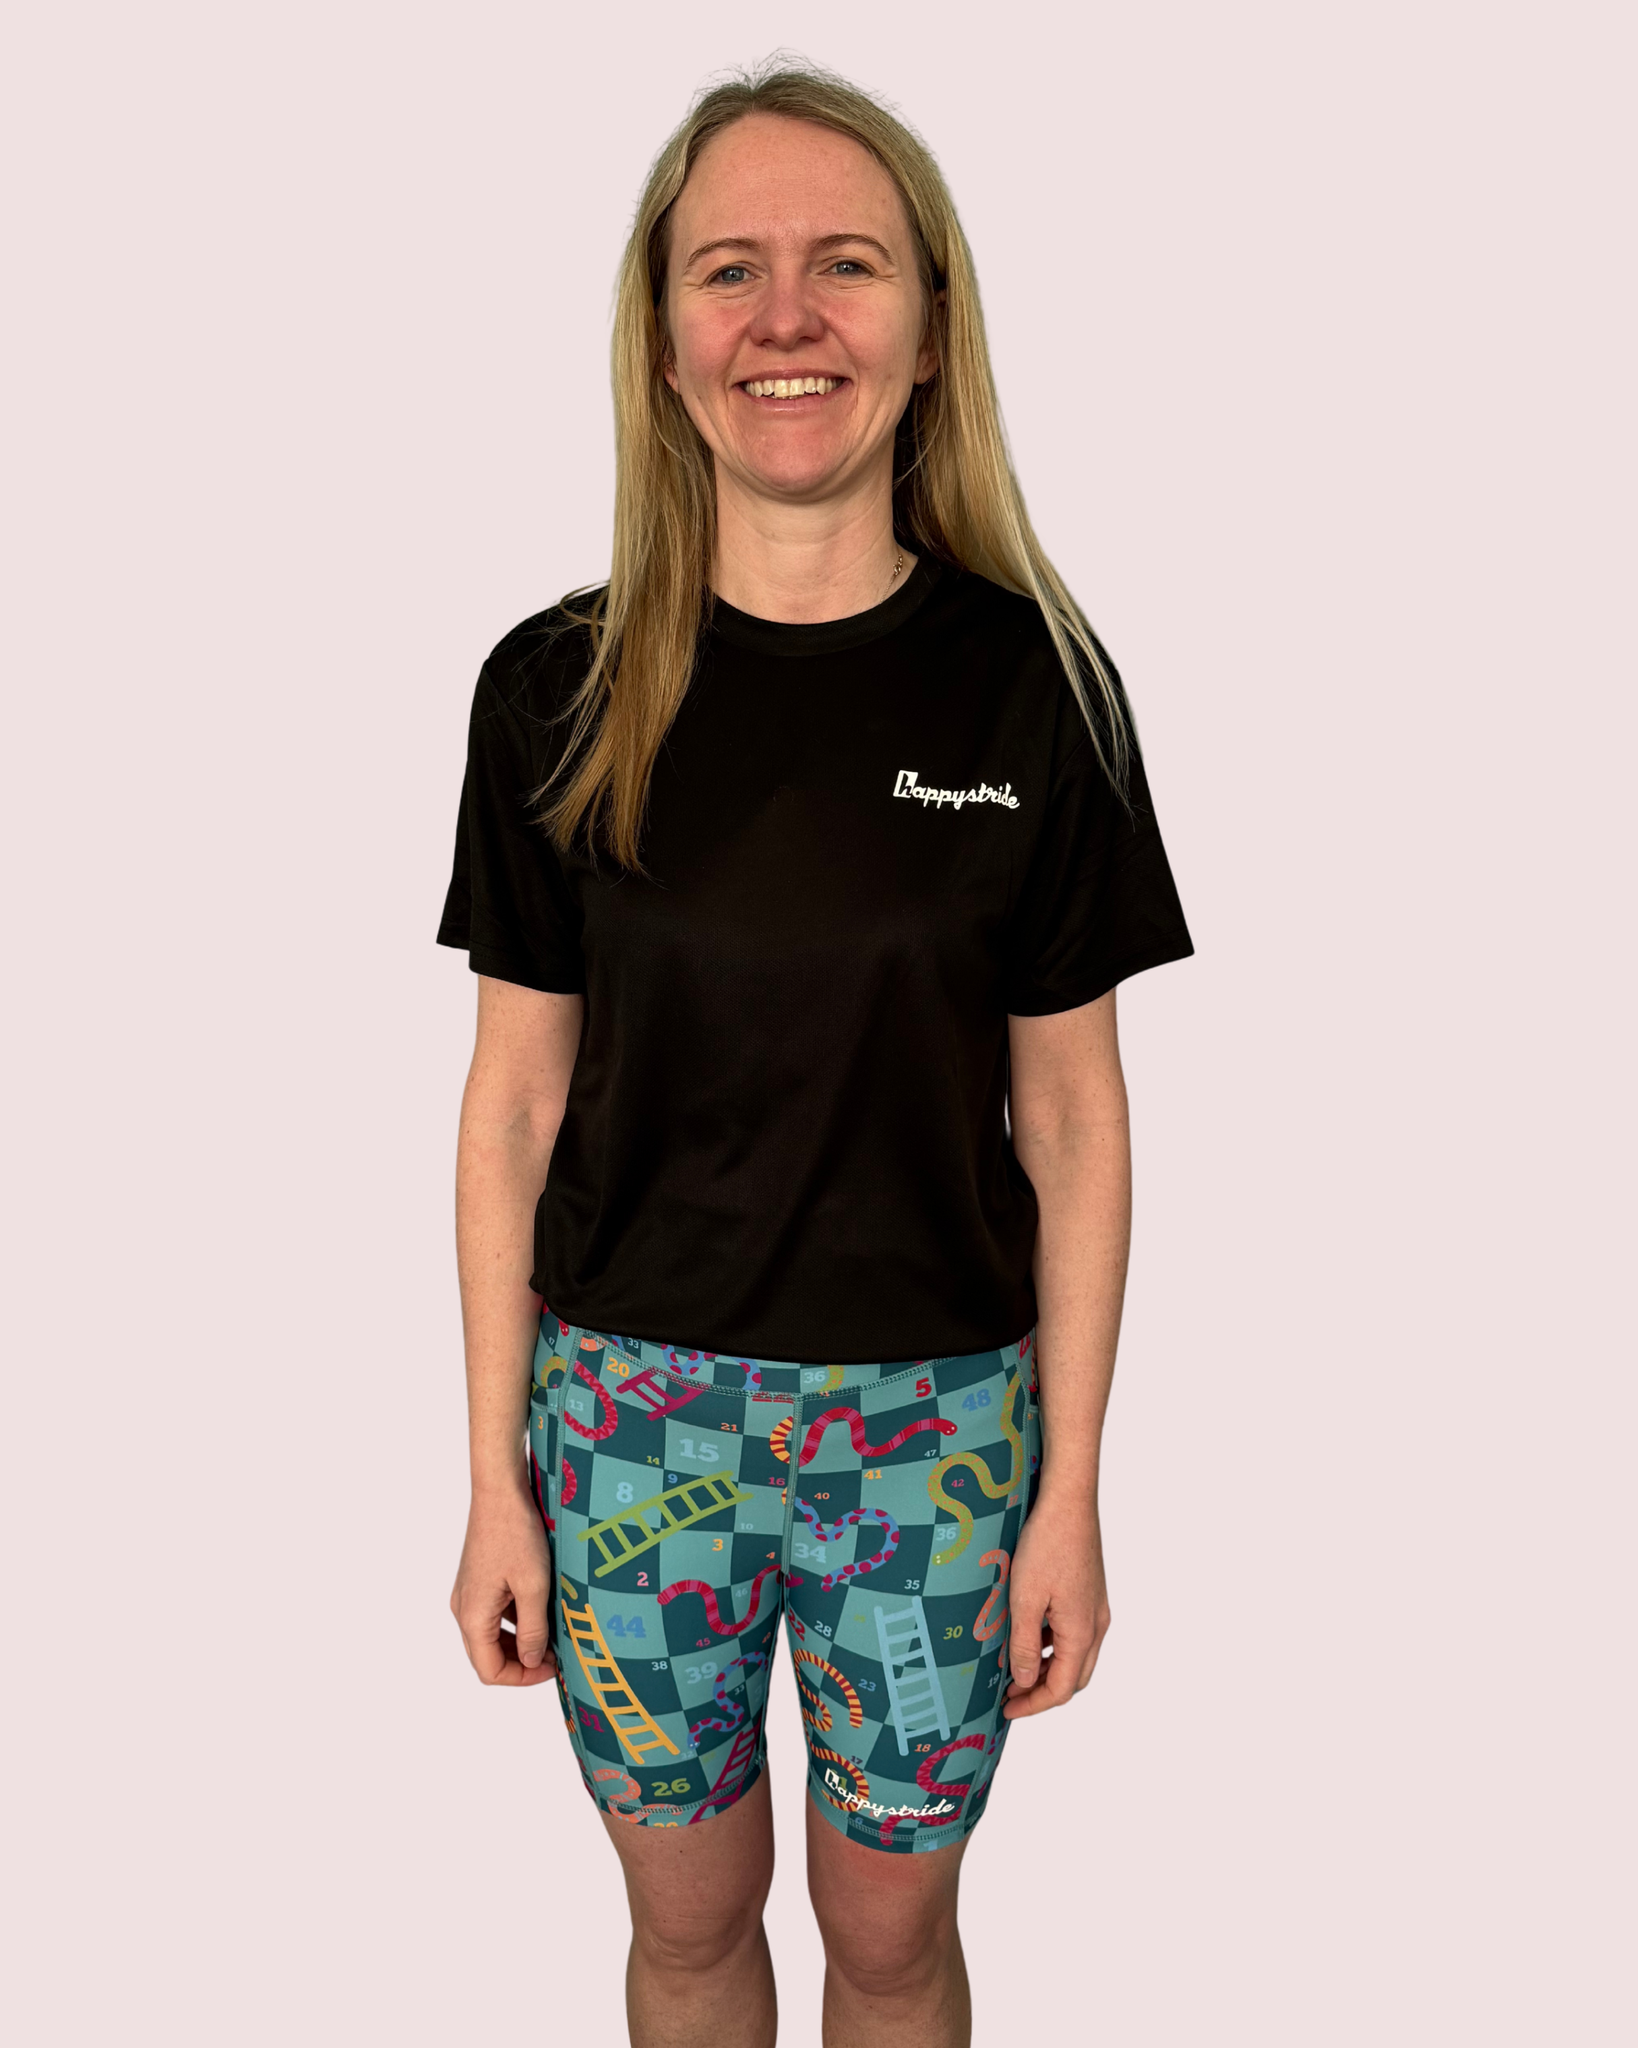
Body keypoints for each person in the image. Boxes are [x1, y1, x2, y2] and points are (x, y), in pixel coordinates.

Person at [437, 61, 1192, 2048]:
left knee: (889, 1942)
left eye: (846, 265)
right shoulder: (553, 692)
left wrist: (1070, 1490)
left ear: (929, 332)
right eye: (730, 270)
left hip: (935, 1444)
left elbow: (1074, 1117)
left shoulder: (1038, 688)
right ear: (662, 340)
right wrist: (495, 1478)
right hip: (631, 1434)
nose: (788, 317)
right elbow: (513, 1107)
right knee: (689, 1933)